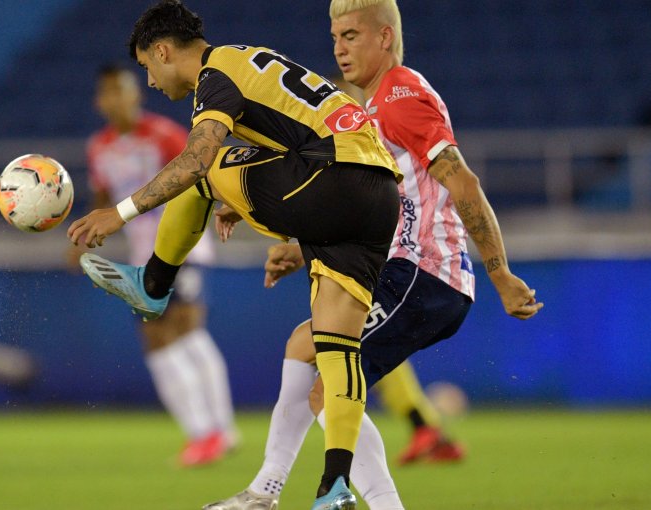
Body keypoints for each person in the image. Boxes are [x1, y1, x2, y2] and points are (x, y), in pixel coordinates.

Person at [203, 0, 543, 508]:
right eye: (335, 38)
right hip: (407, 272)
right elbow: (380, 207)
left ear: (385, 38)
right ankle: (264, 491)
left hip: (428, 276)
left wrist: (502, 274)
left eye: (352, 36)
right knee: (303, 346)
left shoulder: (403, 95)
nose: (339, 49)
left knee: (327, 392)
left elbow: (464, 183)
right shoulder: (370, 110)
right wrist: (299, 248)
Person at [66, 1, 403, 508]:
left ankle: (154, 284)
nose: (152, 83)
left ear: (161, 51)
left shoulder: (216, 72)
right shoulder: (253, 59)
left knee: (202, 165)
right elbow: (290, 133)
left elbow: (198, 158)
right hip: (378, 196)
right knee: (335, 347)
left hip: (329, 179)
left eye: (147, 68)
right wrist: (239, 197)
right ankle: (334, 487)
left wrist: (121, 213)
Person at [69, 63, 238, 466]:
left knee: (184, 329)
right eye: (107, 92)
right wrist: (83, 239)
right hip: (142, 257)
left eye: (121, 90)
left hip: (184, 248)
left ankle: (220, 431)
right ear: (99, 102)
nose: (115, 99)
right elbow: (102, 198)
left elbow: (203, 168)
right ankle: (200, 432)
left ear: (136, 95)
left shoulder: (163, 135)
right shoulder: (99, 148)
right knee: (156, 342)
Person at [330, 73, 466, 466]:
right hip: (390, 260)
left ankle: (417, 431)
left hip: (402, 263)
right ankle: (426, 426)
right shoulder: (365, 142)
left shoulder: (376, 137)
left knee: (340, 357)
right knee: (364, 349)